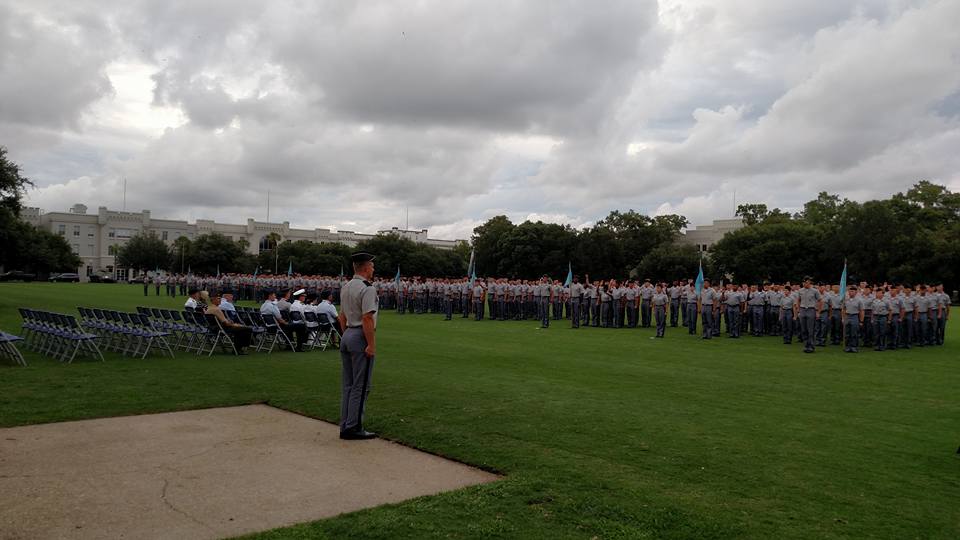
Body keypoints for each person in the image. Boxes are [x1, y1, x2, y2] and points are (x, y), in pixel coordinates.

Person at [337, 252, 379, 441]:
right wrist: (371, 344)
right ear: (364, 268)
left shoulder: (346, 287)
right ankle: (354, 427)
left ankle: (345, 423)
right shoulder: (367, 288)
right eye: (371, 266)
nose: (373, 269)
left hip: (347, 334)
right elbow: (367, 317)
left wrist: (346, 332)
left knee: (348, 384)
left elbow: (342, 316)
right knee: (361, 386)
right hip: (360, 335)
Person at [796, 277, 822, 353]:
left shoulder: (815, 291)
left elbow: (820, 301)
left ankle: (811, 346)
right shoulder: (800, 290)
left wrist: (818, 312)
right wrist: (798, 310)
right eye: (803, 283)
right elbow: (798, 300)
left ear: (809, 282)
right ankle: (806, 345)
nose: (804, 284)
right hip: (803, 309)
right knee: (804, 329)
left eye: (806, 282)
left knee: (810, 329)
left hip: (811, 309)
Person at [842, 286, 864, 353]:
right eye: (850, 291)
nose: (851, 292)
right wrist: (843, 318)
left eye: (852, 291)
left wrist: (861, 320)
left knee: (854, 333)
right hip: (847, 316)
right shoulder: (845, 300)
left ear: (856, 292)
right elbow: (843, 309)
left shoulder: (859, 300)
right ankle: (847, 347)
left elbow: (861, 311)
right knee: (847, 333)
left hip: (855, 316)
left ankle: (854, 347)